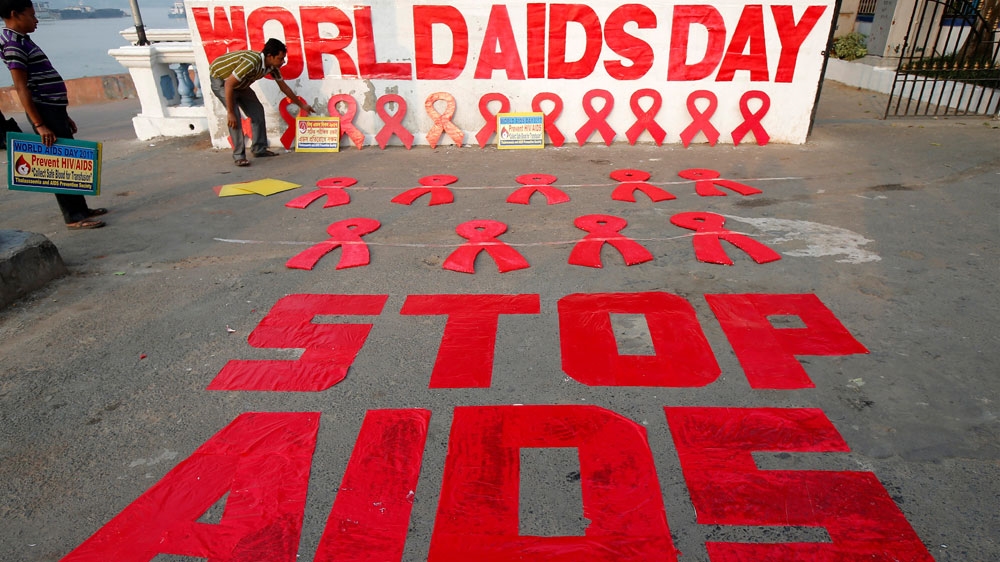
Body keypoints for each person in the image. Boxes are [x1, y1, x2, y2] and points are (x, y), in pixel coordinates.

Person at [0, 0, 106, 229]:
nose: (36, 20)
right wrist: (40, 124)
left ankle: (81, 208)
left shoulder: (22, 40)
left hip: (53, 109)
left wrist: (63, 115)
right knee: (59, 163)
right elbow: (21, 87)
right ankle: (74, 216)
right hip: (44, 110)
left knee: (69, 159)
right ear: (15, 14)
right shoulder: (13, 45)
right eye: (31, 15)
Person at [209, 38, 313, 167]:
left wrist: (302, 105)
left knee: (257, 111)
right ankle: (239, 156)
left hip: (241, 84)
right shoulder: (252, 62)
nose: (283, 62)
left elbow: (284, 88)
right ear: (269, 56)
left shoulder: (272, 67)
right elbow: (229, 84)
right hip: (222, 81)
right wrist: (230, 112)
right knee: (234, 117)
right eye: (280, 58)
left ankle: (259, 149)